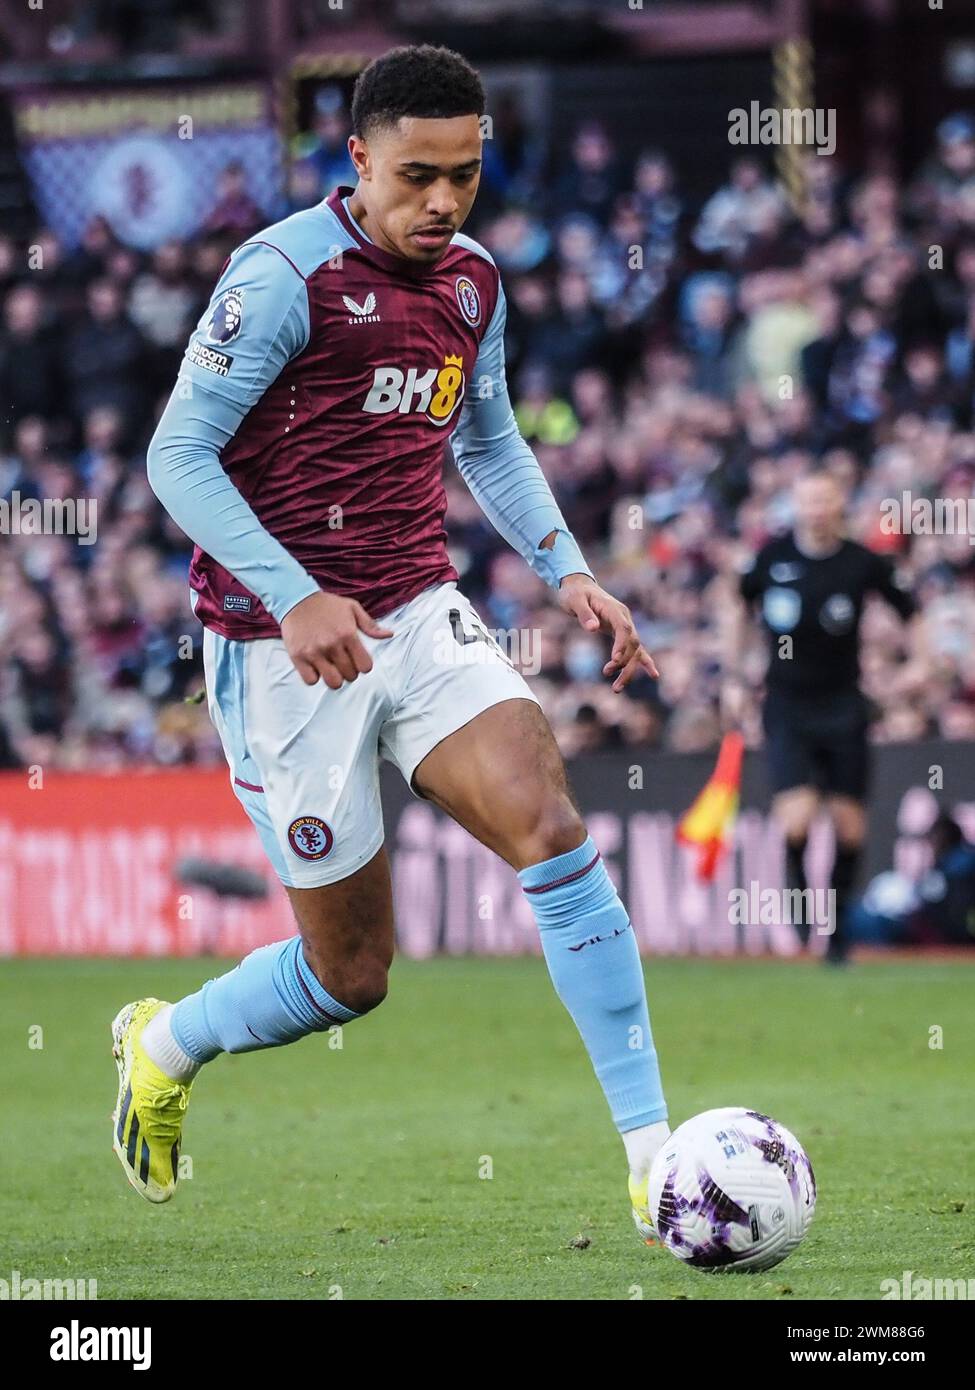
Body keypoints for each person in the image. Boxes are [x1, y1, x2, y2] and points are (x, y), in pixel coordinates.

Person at [112, 44, 670, 1244]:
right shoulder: (279, 279)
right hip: (281, 649)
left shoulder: (473, 281)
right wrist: (295, 591)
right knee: (350, 977)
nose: (444, 203)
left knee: (550, 825)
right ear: (355, 158)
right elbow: (176, 455)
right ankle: (162, 1042)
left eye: (465, 176)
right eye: (417, 176)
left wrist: (570, 569)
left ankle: (653, 1156)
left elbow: (490, 439)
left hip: (418, 608)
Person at [724, 471, 918, 962]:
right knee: (796, 820)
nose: (817, 509)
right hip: (787, 704)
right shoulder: (772, 558)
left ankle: (837, 934)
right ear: (796, 505)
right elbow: (735, 606)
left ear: (839, 505)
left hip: (845, 704)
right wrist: (734, 673)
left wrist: (917, 667)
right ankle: (800, 902)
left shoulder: (861, 563)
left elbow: (912, 613)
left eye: (826, 500)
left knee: (851, 827)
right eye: (808, 500)